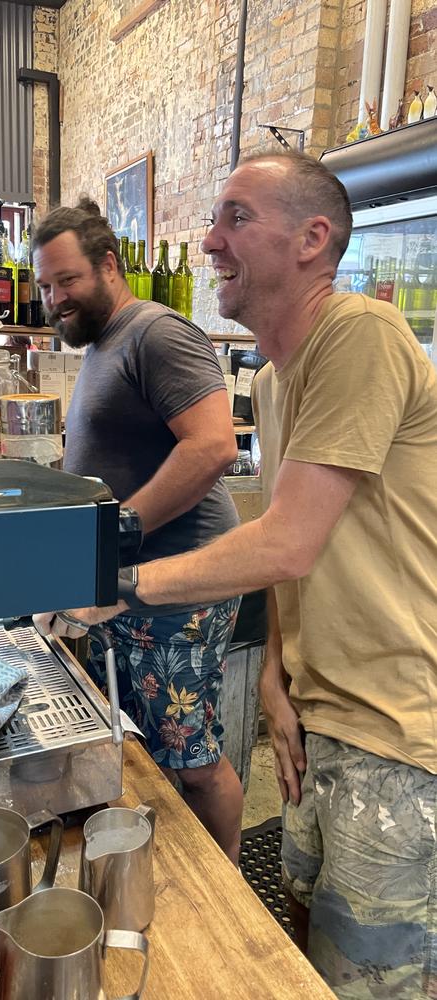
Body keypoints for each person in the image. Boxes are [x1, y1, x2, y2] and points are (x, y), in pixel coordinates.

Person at [35, 154, 437, 1000]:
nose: (210, 240)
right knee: (298, 951)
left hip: (399, 726)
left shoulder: (361, 332)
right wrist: (279, 685)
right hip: (323, 717)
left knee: (367, 977)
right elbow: (298, 549)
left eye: (236, 218)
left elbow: (283, 543)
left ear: (312, 239)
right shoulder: (277, 377)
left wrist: (122, 582)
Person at [32, 197, 244, 863]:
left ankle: (233, 889)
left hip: (180, 589)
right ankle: (178, 870)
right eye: (44, 286)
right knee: (149, 746)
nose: (54, 298)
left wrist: (120, 531)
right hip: (129, 585)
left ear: (109, 267)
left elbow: (212, 447)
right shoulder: (103, 345)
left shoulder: (157, 332)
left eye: (67, 280)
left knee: (194, 757)